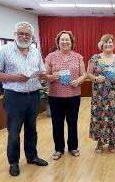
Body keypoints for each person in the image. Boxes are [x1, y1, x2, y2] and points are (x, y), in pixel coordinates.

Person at [0, 21, 48, 177]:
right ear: (15, 35)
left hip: (33, 95)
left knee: (32, 130)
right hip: (14, 97)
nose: (24, 36)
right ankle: (14, 162)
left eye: (27, 34)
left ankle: (32, 157)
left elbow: (42, 71)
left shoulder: (36, 52)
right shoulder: (4, 50)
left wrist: (42, 76)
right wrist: (14, 77)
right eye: (21, 33)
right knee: (14, 131)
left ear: (32, 36)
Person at [45, 30, 87, 160]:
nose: (64, 42)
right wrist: (52, 76)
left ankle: (73, 147)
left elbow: (84, 74)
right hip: (55, 96)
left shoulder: (78, 57)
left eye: (67, 39)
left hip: (73, 95)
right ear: (58, 42)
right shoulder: (50, 57)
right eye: (62, 39)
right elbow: (44, 77)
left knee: (72, 122)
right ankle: (58, 149)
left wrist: (79, 80)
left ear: (71, 42)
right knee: (57, 123)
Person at [88, 34, 115, 153]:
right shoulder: (95, 58)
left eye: (110, 42)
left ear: (114, 45)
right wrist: (95, 78)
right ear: (102, 45)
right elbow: (88, 74)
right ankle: (99, 142)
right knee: (99, 116)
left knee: (113, 117)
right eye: (106, 42)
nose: (108, 44)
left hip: (113, 95)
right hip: (99, 95)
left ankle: (111, 142)